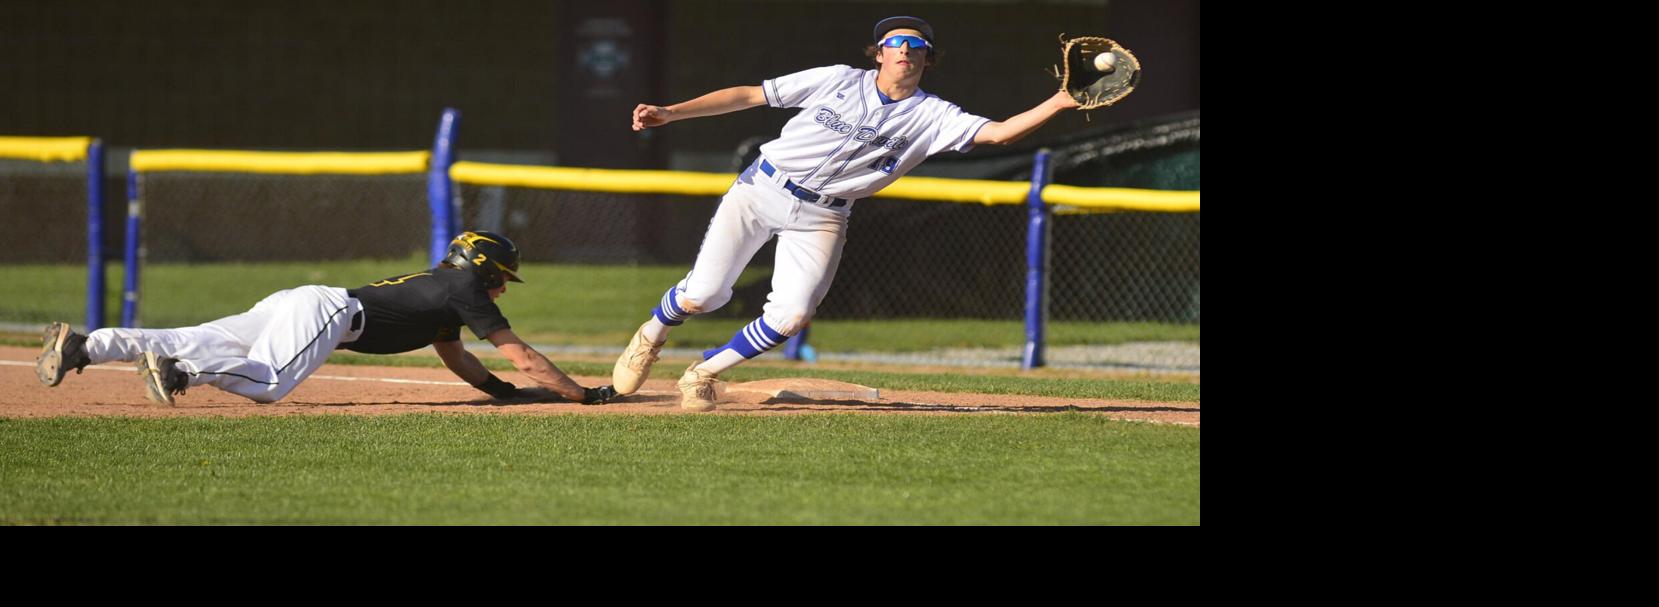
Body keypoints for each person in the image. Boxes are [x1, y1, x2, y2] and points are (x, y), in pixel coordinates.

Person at [613, 15, 1080, 410]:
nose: (904, 49)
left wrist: (1060, 101)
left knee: (792, 315)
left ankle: (705, 372)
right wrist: (671, 112)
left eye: (916, 44)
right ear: (878, 53)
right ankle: (651, 335)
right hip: (762, 188)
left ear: (927, 59)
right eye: (894, 42)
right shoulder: (837, 79)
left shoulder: (933, 115)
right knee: (704, 293)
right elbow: (748, 95)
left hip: (825, 215)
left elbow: (999, 134)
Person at [35, 232, 613, 406]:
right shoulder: (466, 290)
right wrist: (581, 394)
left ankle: (86, 345)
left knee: (193, 332)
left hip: (305, 300)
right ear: (484, 269)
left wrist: (501, 393)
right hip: (333, 312)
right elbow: (520, 352)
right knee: (268, 382)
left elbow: (456, 355)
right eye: (500, 276)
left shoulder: (447, 290)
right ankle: (182, 372)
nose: (499, 287)